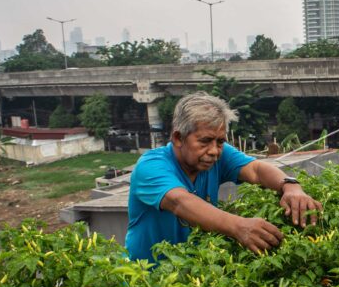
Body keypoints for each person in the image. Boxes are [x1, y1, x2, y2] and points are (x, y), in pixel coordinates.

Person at [126, 92, 322, 262]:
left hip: (194, 273)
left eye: (220, 142)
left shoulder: (217, 154)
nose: (214, 151)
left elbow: (256, 169)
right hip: (147, 278)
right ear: (178, 138)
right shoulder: (151, 166)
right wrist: (239, 226)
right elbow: (180, 202)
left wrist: (290, 186)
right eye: (205, 141)